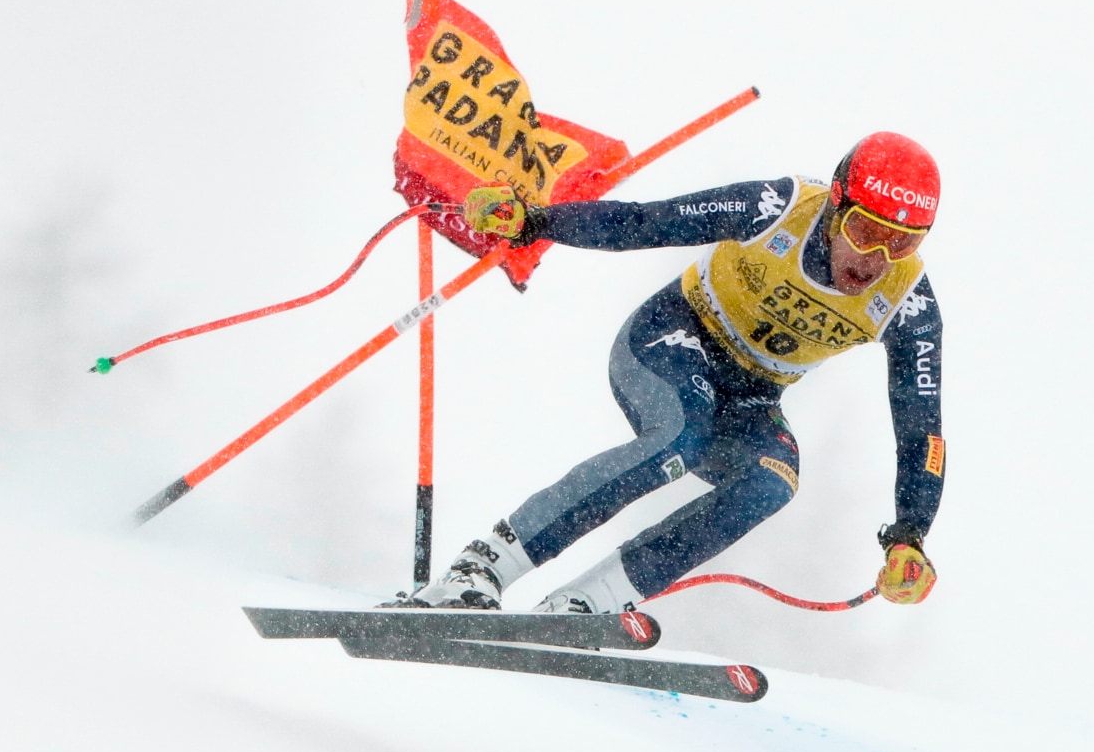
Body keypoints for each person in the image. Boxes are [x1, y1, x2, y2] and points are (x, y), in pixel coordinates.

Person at [391, 131, 945, 614]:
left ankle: (592, 600)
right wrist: (535, 222)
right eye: (866, 231)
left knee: (772, 480)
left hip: (750, 397)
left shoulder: (909, 304)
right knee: (681, 437)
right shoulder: (779, 208)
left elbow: (923, 429)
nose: (877, 260)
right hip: (670, 340)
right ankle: (482, 568)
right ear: (835, 206)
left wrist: (910, 533)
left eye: (904, 243)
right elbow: (644, 222)